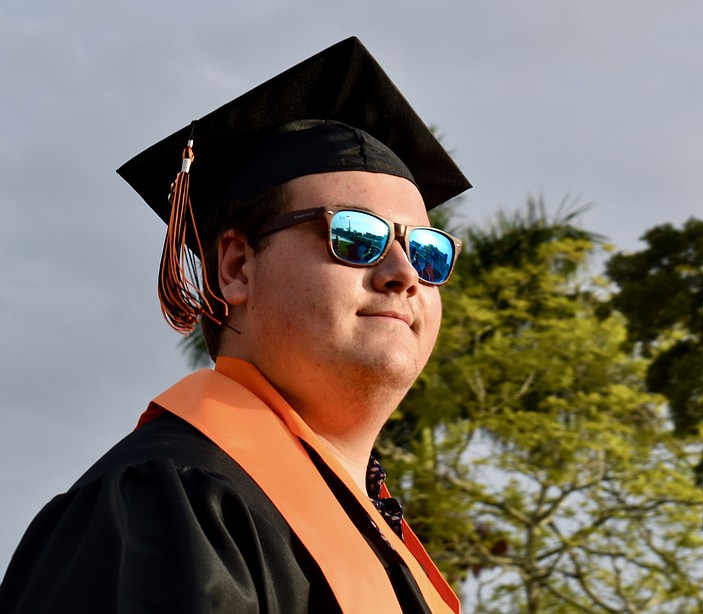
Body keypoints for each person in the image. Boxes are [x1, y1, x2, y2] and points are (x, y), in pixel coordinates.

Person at [0, 37, 470, 613]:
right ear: (237, 267)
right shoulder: (162, 507)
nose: (404, 274)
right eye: (355, 235)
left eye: (426, 251)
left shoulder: (384, 541)